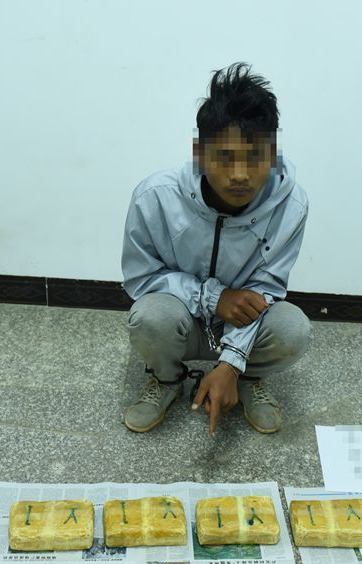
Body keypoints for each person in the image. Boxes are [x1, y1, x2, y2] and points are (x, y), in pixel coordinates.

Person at [121, 62, 311, 437]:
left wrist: (231, 363)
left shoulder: (292, 206)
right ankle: (167, 379)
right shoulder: (154, 197)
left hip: (243, 323)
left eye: (255, 157)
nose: (240, 174)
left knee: (293, 329)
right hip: (182, 319)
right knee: (150, 317)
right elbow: (140, 279)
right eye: (224, 157)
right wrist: (213, 298)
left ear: (273, 155)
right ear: (200, 154)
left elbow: (266, 289)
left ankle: (248, 377)